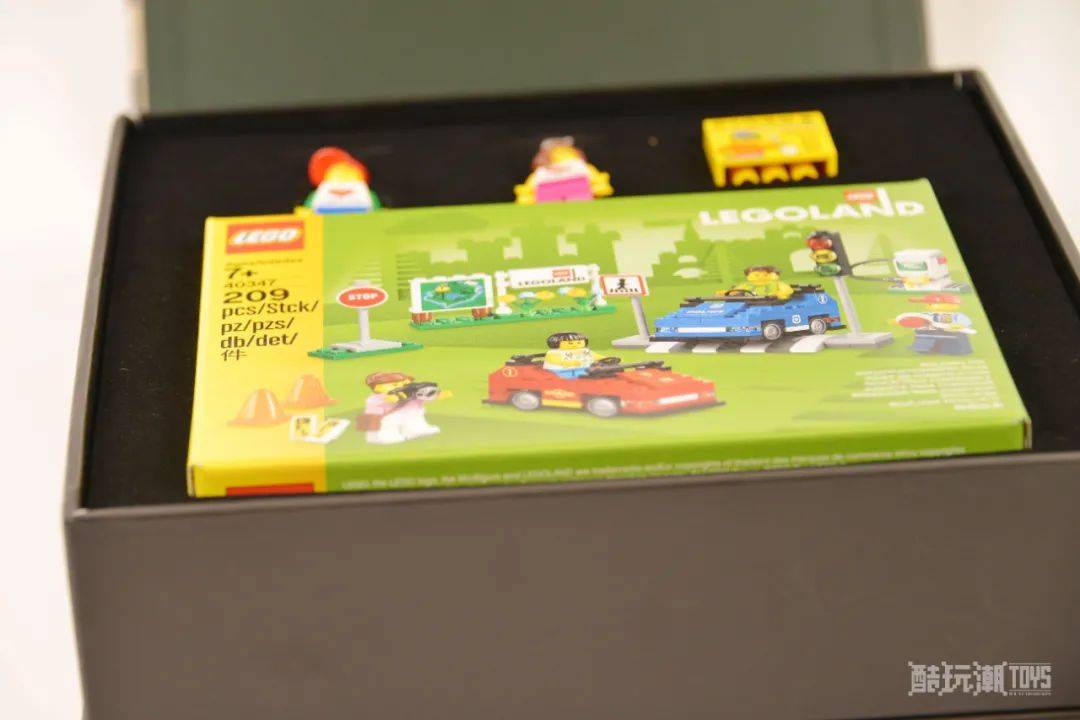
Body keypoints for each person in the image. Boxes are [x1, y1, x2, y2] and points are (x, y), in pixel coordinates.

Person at [361, 371, 446, 444]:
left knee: (414, 421)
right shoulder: (377, 398)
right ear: (376, 388)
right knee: (388, 425)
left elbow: (423, 397)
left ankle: (416, 431)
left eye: (405, 384)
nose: (401, 386)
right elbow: (374, 408)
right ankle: (385, 436)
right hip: (389, 417)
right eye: (395, 384)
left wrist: (436, 395)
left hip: (410, 414)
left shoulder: (411, 392)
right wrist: (389, 400)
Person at [894, 293, 975, 355]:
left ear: (953, 305)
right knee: (923, 341)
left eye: (931, 303)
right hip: (927, 334)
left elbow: (965, 323)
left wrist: (959, 326)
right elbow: (915, 320)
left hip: (950, 335)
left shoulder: (956, 316)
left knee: (951, 346)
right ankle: (922, 348)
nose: (928, 305)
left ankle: (954, 350)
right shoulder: (925, 314)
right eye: (928, 303)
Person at [542, 332, 607, 378]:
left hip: (584, 369)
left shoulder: (584, 350)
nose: (575, 344)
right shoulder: (554, 353)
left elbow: (594, 356)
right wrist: (571, 363)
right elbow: (556, 361)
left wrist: (605, 358)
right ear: (556, 343)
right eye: (570, 343)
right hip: (561, 372)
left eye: (579, 342)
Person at [721, 265, 794, 300]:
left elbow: (787, 290)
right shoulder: (745, 285)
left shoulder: (777, 284)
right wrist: (725, 293)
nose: (760, 277)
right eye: (756, 275)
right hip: (750, 303)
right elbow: (735, 291)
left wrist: (778, 295)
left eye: (765, 274)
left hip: (771, 303)